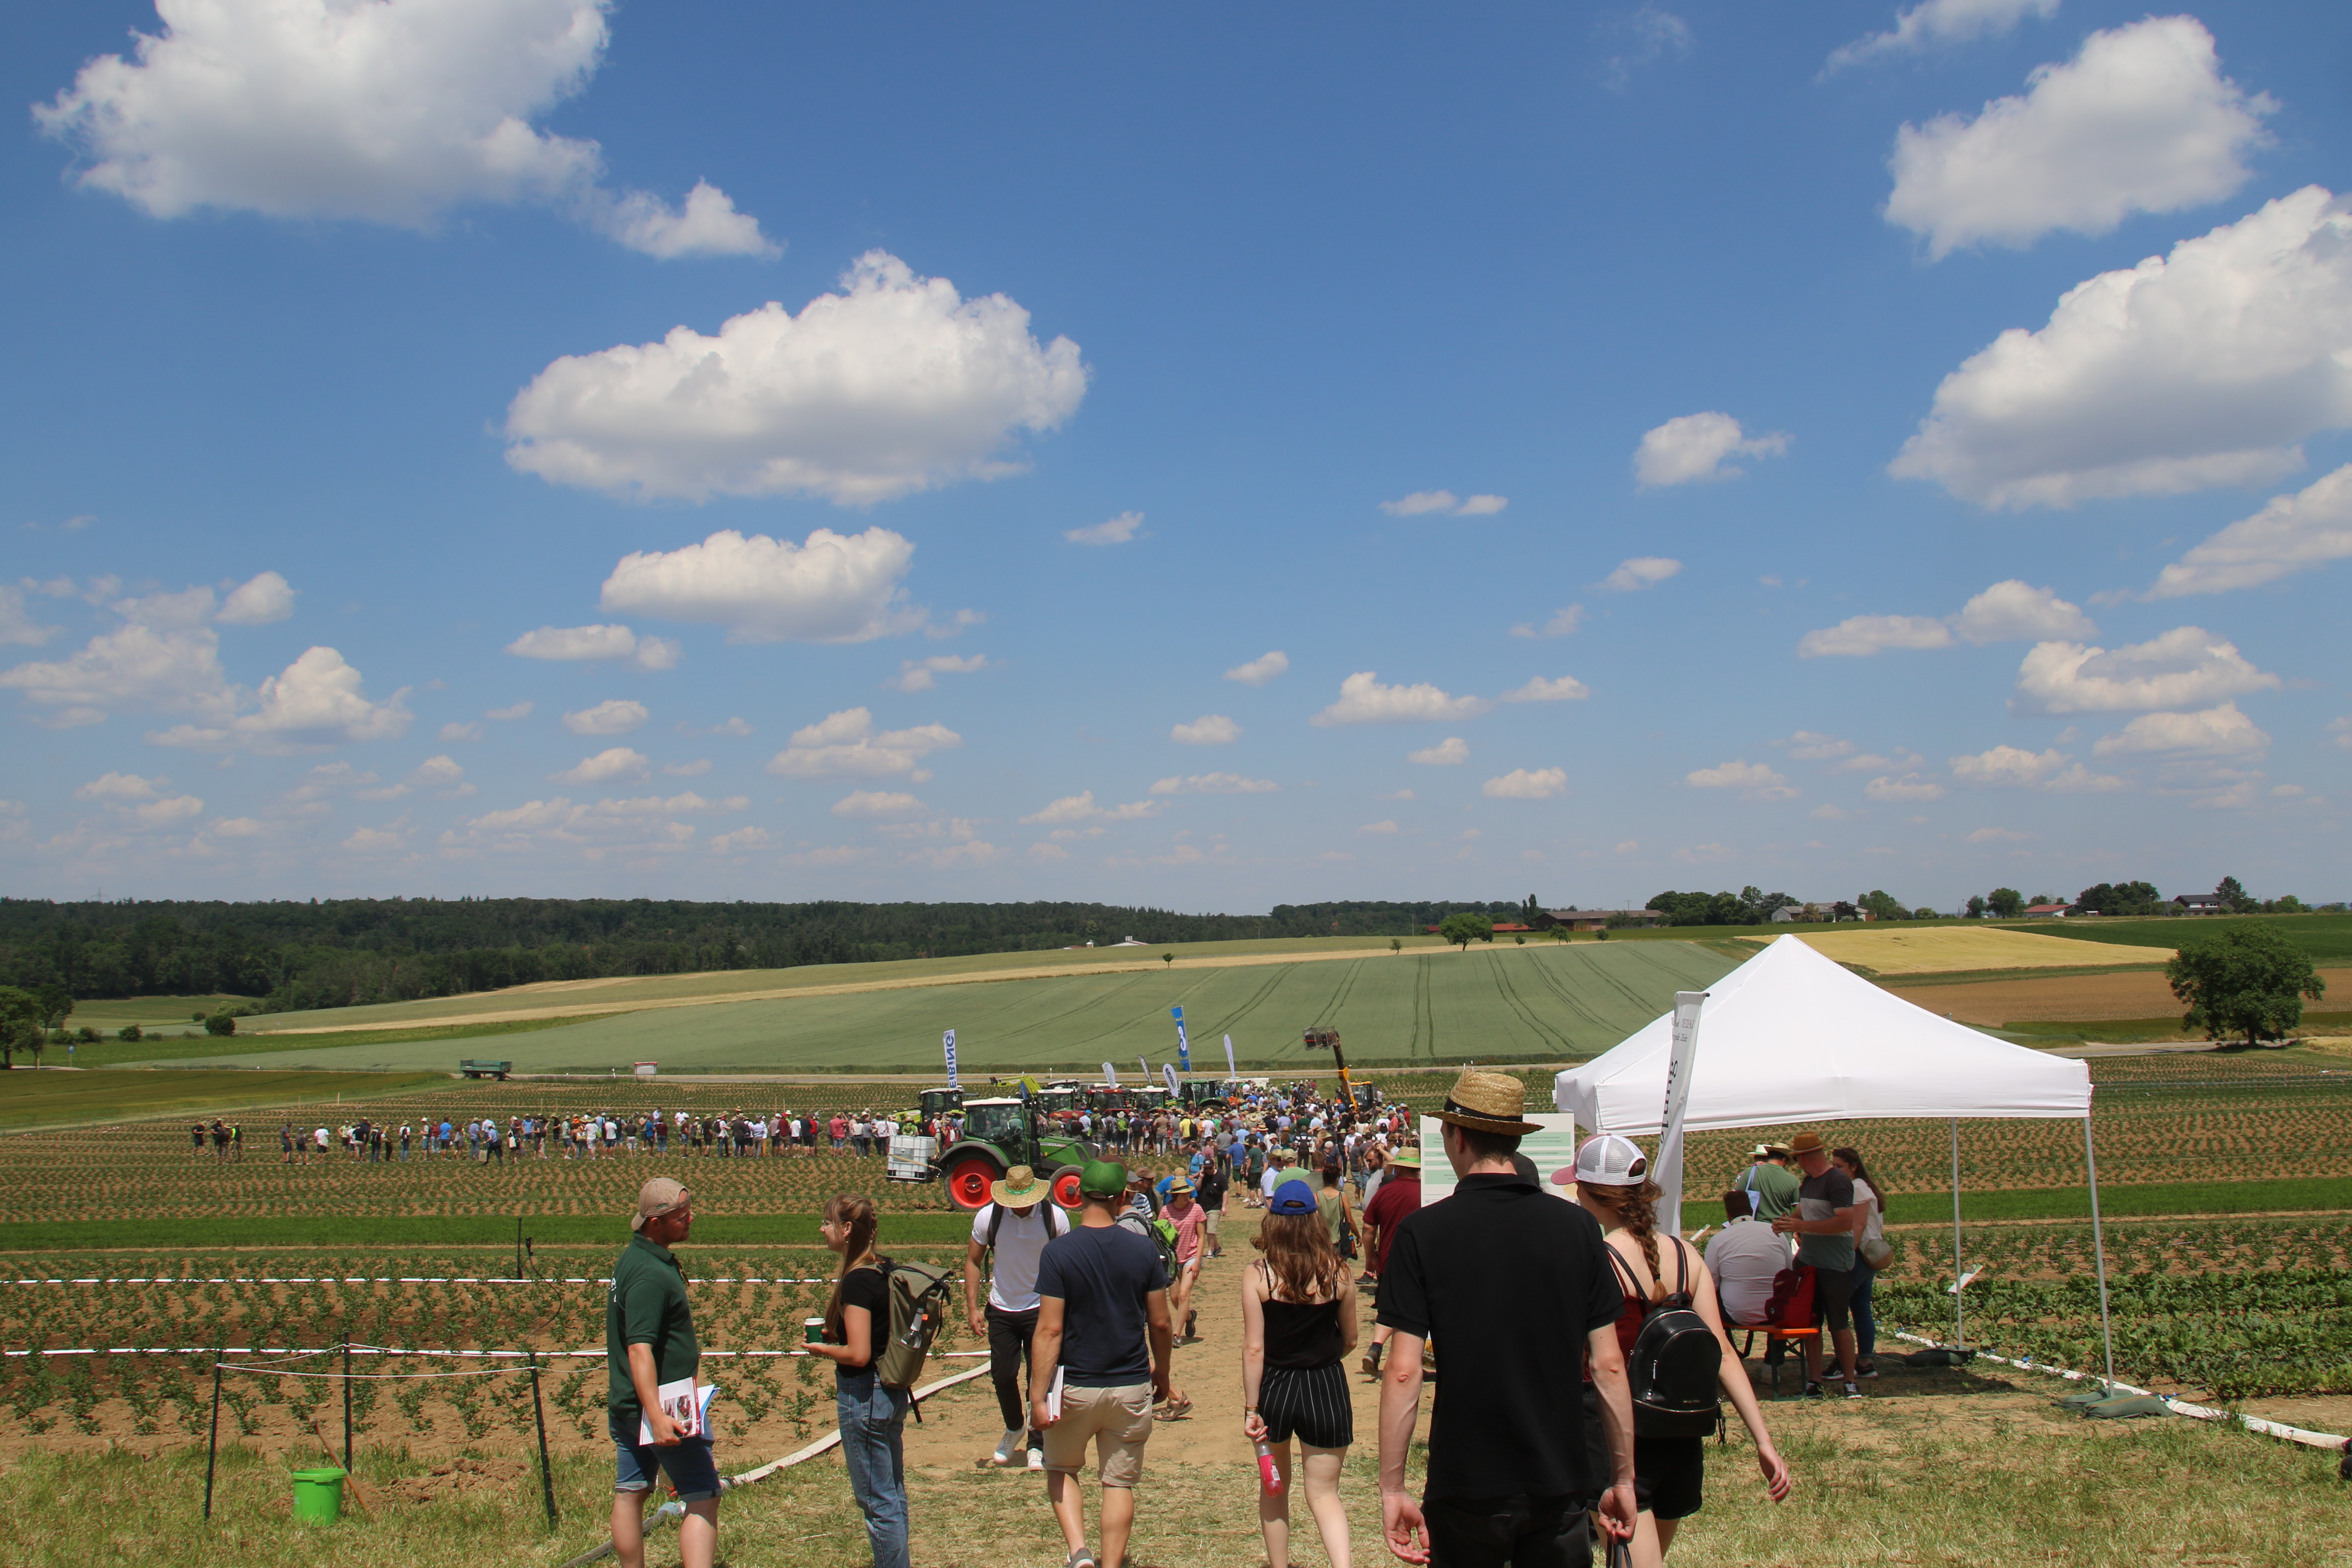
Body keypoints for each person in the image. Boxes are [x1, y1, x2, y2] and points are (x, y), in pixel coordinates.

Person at [1377, 1071, 1636, 1566]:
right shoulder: (1578, 1228)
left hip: (1465, 1476)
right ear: (1514, 1140)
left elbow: (1404, 1369)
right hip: (1559, 1477)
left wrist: (1393, 1487)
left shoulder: (1422, 1234)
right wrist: (1622, 1478)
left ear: (1456, 1137)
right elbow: (1608, 1366)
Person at [1569, 1135, 1791, 1566]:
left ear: (1590, 1193)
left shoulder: (1594, 1260)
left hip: (1611, 1434)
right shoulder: (1687, 1256)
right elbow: (1723, 1353)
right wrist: (1763, 1440)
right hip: (1678, 1433)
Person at [1031, 1161, 1174, 1568]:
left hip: (1074, 1382)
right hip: (1129, 1383)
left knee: (1061, 1468)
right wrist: (1162, 1373)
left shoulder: (1058, 1253)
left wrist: (1037, 1394)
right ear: (1123, 1198)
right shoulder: (1144, 1249)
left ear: (1076, 1196)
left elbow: (1049, 1331)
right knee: (1119, 1483)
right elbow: (1161, 1322)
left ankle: (1079, 1552)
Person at [1243, 1179, 1360, 1568]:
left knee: (1275, 1489)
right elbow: (1351, 1339)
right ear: (1314, 1219)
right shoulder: (1338, 1272)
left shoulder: (1259, 1274)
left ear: (1272, 1220)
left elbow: (1254, 1348)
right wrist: (1324, 1357)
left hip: (1275, 1385)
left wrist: (1251, 1407)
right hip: (1326, 1384)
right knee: (1325, 1494)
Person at [607, 1177, 718, 1568]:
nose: (690, 1220)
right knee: (702, 1494)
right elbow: (640, 1350)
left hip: (627, 1401)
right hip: (663, 1406)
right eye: (680, 1216)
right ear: (655, 1222)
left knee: (631, 1491)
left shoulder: (635, 1257)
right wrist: (657, 1416)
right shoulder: (650, 1275)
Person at [808, 1193, 910, 1568]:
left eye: (827, 1222)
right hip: (892, 1392)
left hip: (865, 1396)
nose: (822, 1229)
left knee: (878, 1502)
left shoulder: (855, 1281)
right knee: (893, 1494)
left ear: (847, 1229)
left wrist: (822, 1350)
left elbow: (859, 1354)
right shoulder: (885, 1269)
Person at [964, 1165, 1071, 1470]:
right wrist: (973, 1307)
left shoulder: (1055, 1218)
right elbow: (973, 1260)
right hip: (1002, 1308)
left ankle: (1038, 1443)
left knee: (1039, 1379)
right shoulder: (989, 1217)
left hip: (1042, 1308)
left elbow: (1067, 1263)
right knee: (1002, 1375)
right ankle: (1015, 1427)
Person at [1771, 1132, 1863, 1398]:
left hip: (1835, 1264)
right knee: (1810, 1323)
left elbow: (1846, 1222)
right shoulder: (1808, 1183)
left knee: (1839, 1323)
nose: (1797, 1163)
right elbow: (1803, 1214)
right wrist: (1787, 1222)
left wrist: (1802, 1226)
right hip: (1809, 1262)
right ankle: (1815, 1381)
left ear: (1802, 1157)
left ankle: (1849, 1380)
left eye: (1797, 1159)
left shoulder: (1838, 1181)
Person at [1356, 1145, 1421, 1377]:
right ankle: (1411, 1360)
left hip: (1388, 1259)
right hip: (1420, 1261)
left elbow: (1368, 1227)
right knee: (1418, 1312)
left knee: (1387, 1308)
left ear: (1399, 1168)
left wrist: (1370, 1257)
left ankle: (1376, 1347)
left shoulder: (1384, 1192)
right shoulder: (1427, 1192)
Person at [1700, 1191, 1789, 1330]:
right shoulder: (1776, 1233)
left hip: (1738, 1315)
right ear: (1752, 1210)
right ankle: (1776, 1351)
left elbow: (1711, 1284)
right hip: (1778, 1312)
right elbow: (1790, 1271)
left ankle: (1729, 1349)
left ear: (1728, 1215)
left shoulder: (1718, 1240)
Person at [1832, 1146, 1885, 1377]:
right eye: (1833, 1166)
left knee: (1839, 1309)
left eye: (1840, 1167)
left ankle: (1844, 1361)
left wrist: (1848, 1253)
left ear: (1853, 1167)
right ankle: (1864, 1362)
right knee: (1861, 1308)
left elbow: (1859, 1225)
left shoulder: (1858, 1188)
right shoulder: (1862, 1186)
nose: (1836, 1171)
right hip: (1869, 1255)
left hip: (1860, 1255)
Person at [1164, 1176, 1205, 1343]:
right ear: (1174, 1196)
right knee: (1174, 1298)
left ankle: (1176, 1335)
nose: (1186, 1197)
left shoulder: (1197, 1210)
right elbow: (1161, 1235)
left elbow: (1202, 1237)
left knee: (1183, 1296)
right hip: (1173, 1259)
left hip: (1191, 1256)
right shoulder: (1166, 1211)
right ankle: (1189, 1317)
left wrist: (1197, 1262)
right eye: (1182, 1194)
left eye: (1187, 1193)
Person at [1738, 1145, 1799, 1222]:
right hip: (1782, 1230)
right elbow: (1800, 1210)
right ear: (1784, 1160)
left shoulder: (1751, 1172)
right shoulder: (1793, 1180)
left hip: (1756, 1229)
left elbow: (1735, 1197)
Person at [1315, 1162, 1357, 1270]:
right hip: (1336, 1241)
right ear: (1337, 1179)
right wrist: (1359, 1237)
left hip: (1321, 1241)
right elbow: (1350, 1221)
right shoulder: (1342, 1197)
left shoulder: (1316, 1196)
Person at [1195, 1157, 1228, 1260]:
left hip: (1215, 1207)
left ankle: (1210, 1251)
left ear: (1214, 1166)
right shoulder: (1203, 1176)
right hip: (1202, 1207)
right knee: (1205, 1231)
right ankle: (1217, 1248)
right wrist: (1201, 1177)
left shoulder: (1221, 1177)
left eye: (1210, 1168)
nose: (1208, 1171)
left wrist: (1224, 1206)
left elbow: (1225, 1192)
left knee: (1211, 1231)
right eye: (1206, 1169)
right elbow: (1196, 1188)